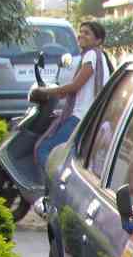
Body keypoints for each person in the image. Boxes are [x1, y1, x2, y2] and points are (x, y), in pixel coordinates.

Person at [31, 20, 109, 169]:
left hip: (80, 117)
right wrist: (61, 93)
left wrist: (45, 91)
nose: (81, 35)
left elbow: (75, 86)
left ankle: (48, 187)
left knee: (44, 149)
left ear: (98, 40)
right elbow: (81, 87)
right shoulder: (101, 57)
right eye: (81, 32)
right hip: (86, 116)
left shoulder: (91, 55)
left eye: (87, 33)